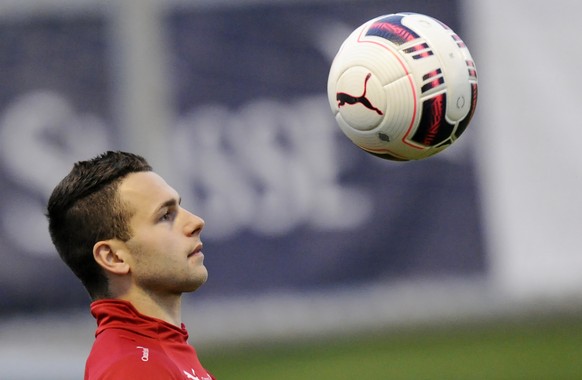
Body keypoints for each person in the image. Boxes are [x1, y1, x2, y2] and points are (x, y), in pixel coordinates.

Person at [46, 151, 215, 380]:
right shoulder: (134, 369)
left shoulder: (160, 350)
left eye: (180, 207)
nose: (196, 222)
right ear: (113, 257)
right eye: (165, 216)